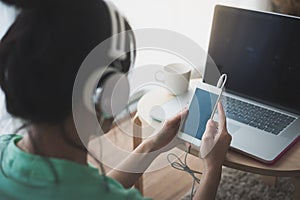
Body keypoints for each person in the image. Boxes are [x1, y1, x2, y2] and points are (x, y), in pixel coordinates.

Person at [0, 0, 231, 199]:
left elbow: (95, 191)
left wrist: (153, 144)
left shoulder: (5, 149)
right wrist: (212, 168)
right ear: (107, 93)